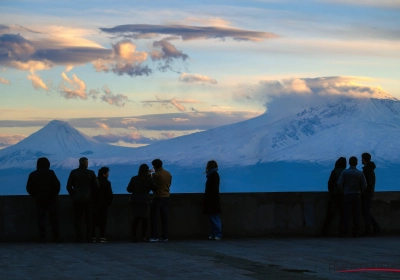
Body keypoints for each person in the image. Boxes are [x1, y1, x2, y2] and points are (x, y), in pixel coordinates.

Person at [26, 157, 61, 243]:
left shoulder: (33, 174)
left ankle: (42, 237)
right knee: (53, 219)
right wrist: (54, 194)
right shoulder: (51, 173)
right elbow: (57, 185)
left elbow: (29, 188)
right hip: (51, 199)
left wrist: (35, 195)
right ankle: (55, 236)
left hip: (39, 199)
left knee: (40, 219)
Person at [66, 157, 99, 243]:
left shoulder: (73, 172)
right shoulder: (91, 173)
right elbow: (96, 186)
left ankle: (78, 237)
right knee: (89, 219)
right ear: (86, 163)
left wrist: (73, 194)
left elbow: (68, 187)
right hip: (88, 199)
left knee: (77, 219)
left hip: (77, 199)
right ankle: (89, 237)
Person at [337, 156, 367, 238]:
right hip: (357, 195)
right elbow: (364, 185)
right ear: (357, 163)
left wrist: (343, 191)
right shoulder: (360, 173)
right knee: (356, 214)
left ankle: (345, 232)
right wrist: (360, 191)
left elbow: (339, 183)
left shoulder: (345, 172)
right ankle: (356, 232)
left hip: (347, 195)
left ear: (349, 163)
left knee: (346, 214)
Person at [127, 164, 157, 242]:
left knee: (136, 219)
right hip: (145, 201)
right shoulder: (149, 180)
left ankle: (133, 236)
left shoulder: (134, 179)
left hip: (135, 201)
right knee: (145, 219)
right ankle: (143, 236)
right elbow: (155, 188)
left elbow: (129, 189)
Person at [317, 157, 346, 237]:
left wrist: (332, 192)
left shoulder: (335, 172)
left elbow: (330, 183)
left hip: (334, 195)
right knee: (343, 215)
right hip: (343, 196)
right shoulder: (346, 172)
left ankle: (324, 231)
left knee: (330, 215)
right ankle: (342, 232)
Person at [149, 159, 172, 242]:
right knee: (164, 217)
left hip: (158, 197)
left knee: (154, 217)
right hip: (167, 196)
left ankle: (155, 236)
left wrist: (149, 173)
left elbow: (151, 183)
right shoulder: (168, 173)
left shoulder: (156, 175)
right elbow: (169, 183)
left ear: (154, 166)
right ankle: (165, 236)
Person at [361, 153, 381, 236]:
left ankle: (370, 229)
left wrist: (363, 191)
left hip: (366, 193)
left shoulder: (367, 170)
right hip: (369, 193)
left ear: (364, 159)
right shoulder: (370, 169)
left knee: (366, 211)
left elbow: (367, 183)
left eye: (362, 158)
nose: (361, 160)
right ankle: (375, 228)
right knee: (366, 211)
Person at [92, 166, 113, 243]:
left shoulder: (94, 181)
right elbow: (110, 194)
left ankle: (93, 236)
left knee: (93, 220)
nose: (108, 175)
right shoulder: (107, 183)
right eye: (107, 173)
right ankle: (102, 236)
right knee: (103, 221)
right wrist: (108, 203)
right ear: (104, 174)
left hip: (94, 203)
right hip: (104, 204)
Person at [203, 160, 222, 240]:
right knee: (212, 217)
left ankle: (217, 234)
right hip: (213, 199)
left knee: (214, 217)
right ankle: (214, 234)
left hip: (212, 200)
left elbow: (212, 189)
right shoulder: (214, 175)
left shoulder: (212, 175)